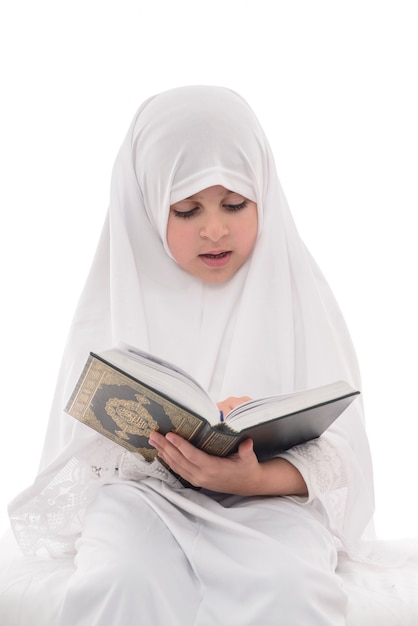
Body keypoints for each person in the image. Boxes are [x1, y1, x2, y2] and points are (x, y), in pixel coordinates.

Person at [8, 86, 375, 625]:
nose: (214, 228)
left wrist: (253, 479)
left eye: (235, 204)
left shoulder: (298, 294)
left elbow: (342, 454)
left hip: (267, 505)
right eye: (185, 210)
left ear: (265, 198)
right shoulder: (113, 298)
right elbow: (83, 447)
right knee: (120, 580)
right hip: (141, 502)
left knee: (291, 587)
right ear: (147, 206)